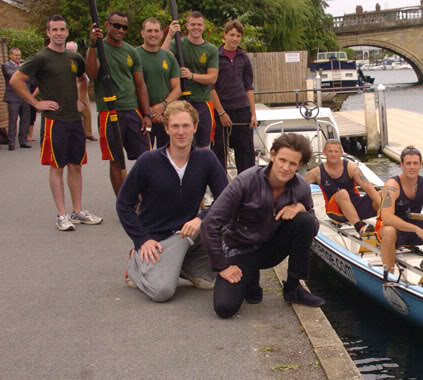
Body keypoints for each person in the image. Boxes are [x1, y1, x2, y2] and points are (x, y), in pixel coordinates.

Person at [203, 133, 325, 319]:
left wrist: (301, 209)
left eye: (292, 164)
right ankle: (250, 280)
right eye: (282, 160)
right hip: (240, 250)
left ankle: (293, 287)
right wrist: (222, 266)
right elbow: (210, 225)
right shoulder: (245, 181)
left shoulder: (301, 187)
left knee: (305, 221)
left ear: (299, 166)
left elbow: (313, 227)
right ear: (273, 155)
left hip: (270, 248)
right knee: (225, 308)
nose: (285, 168)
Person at [117, 100, 228, 302]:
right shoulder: (148, 162)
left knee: (215, 275)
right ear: (166, 128)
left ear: (195, 127)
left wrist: (202, 218)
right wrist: (142, 240)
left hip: (191, 234)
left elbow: (226, 197)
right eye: (175, 126)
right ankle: (136, 264)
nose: (181, 132)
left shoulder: (206, 159)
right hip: (158, 240)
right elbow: (123, 204)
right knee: (162, 292)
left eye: (186, 126)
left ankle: (184, 266)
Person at [10, 15, 103, 231]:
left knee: (76, 166)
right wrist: (36, 103)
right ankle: (62, 215)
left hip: (74, 119)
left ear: (67, 31)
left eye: (62, 29)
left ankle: (77, 211)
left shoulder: (74, 57)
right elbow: (16, 80)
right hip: (55, 122)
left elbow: (82, 79)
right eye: (55, 30)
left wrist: (81, 100)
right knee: (57, 167)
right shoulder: (41, 58)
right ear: (48, 32)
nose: (59, 33)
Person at [86, 11, 152, 196]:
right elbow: (91, 74)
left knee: (145, 157)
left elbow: (140, 84)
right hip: (109, 112)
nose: (120, 30)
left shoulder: (131, 51)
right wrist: (92, 45)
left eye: (124, 27)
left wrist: (146, 114)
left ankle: (144, 197)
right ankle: (123, 202)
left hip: (133, 111)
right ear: (107, 25)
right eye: (116, 25)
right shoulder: (98, 48)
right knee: (115, 160)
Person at [377, 146, 423, 270]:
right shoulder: (392, 185)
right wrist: (416, 229)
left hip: (415, 229)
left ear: (421, 164)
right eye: (408, 163)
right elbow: (387, 218)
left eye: (415, 163)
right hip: (393, 229)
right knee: (389, 231)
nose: (412, 167)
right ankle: (389, 273)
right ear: (401, 165)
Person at [162, 11, 218, 149]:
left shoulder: (211, 49)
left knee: (204, 145)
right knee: (180, 142)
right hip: (180, 102)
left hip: (202, 102)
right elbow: (161, 56)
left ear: (204, 27)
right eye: (193, 24)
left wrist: (191, 75)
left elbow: (212, 77)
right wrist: (169, 34)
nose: (196, 28)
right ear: (187, 26)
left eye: (199, 24)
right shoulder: (178, 44)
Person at [305, 139, 380, 235]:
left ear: (341, 153)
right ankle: (360, 227)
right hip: (335, 211)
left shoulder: (351, 168)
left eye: (336, 151)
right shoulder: (317, 172)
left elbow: (369, 188)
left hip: (356, 206)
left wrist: (384, 211)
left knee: (383, 193)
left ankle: (390, 224)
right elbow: (299, 187)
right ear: (324, 153)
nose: (333, 154)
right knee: (342, 193)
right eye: (330, 151)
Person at [211, 20, 258, 173]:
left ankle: (247, 187)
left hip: (242, 110)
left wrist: (253, 114)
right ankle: (221, 189)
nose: (235, 39)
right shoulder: (215, 57)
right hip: (222, 110)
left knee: (246, 152)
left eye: (238, 35)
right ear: (225, 35)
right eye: (232, 35)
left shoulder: (244, 58)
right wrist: (221, 112)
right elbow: (211, 88)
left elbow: (248, 87)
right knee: (219, 152)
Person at [137, 18, 181, 148]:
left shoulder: (169, 57)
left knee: (167, 155)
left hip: (165, 117)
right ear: (142, 33)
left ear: (162, 33)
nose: (153, 34)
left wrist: (162, 107)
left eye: (156, 31)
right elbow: (134, 86)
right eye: (149, 31)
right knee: (145, 156)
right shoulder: (135, 54)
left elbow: (177, 89)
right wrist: (148, 112)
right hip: (143, 116)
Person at [65, 41, 97, 142]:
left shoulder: (78, 60)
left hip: (82, 89)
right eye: (68, 50)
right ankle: (72, 134)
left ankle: (88, 133)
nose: (71, 52)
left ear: (76, 50)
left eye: (72, 50)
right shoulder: (62, 60)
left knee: (86, 111)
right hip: (68, 90)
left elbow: (85, 76)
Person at [2, 47, 31, 150]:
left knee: (25, 120)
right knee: (13, 120)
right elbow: (11, 75)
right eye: (16, 55)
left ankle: (23, 141)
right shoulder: (6, 66)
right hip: (12, 97)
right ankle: (11, 143)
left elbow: (29, 77)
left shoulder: (24, 65)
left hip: (25, 96)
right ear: (10, 56)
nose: (18, 57)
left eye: (19, 55)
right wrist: (22, 68)